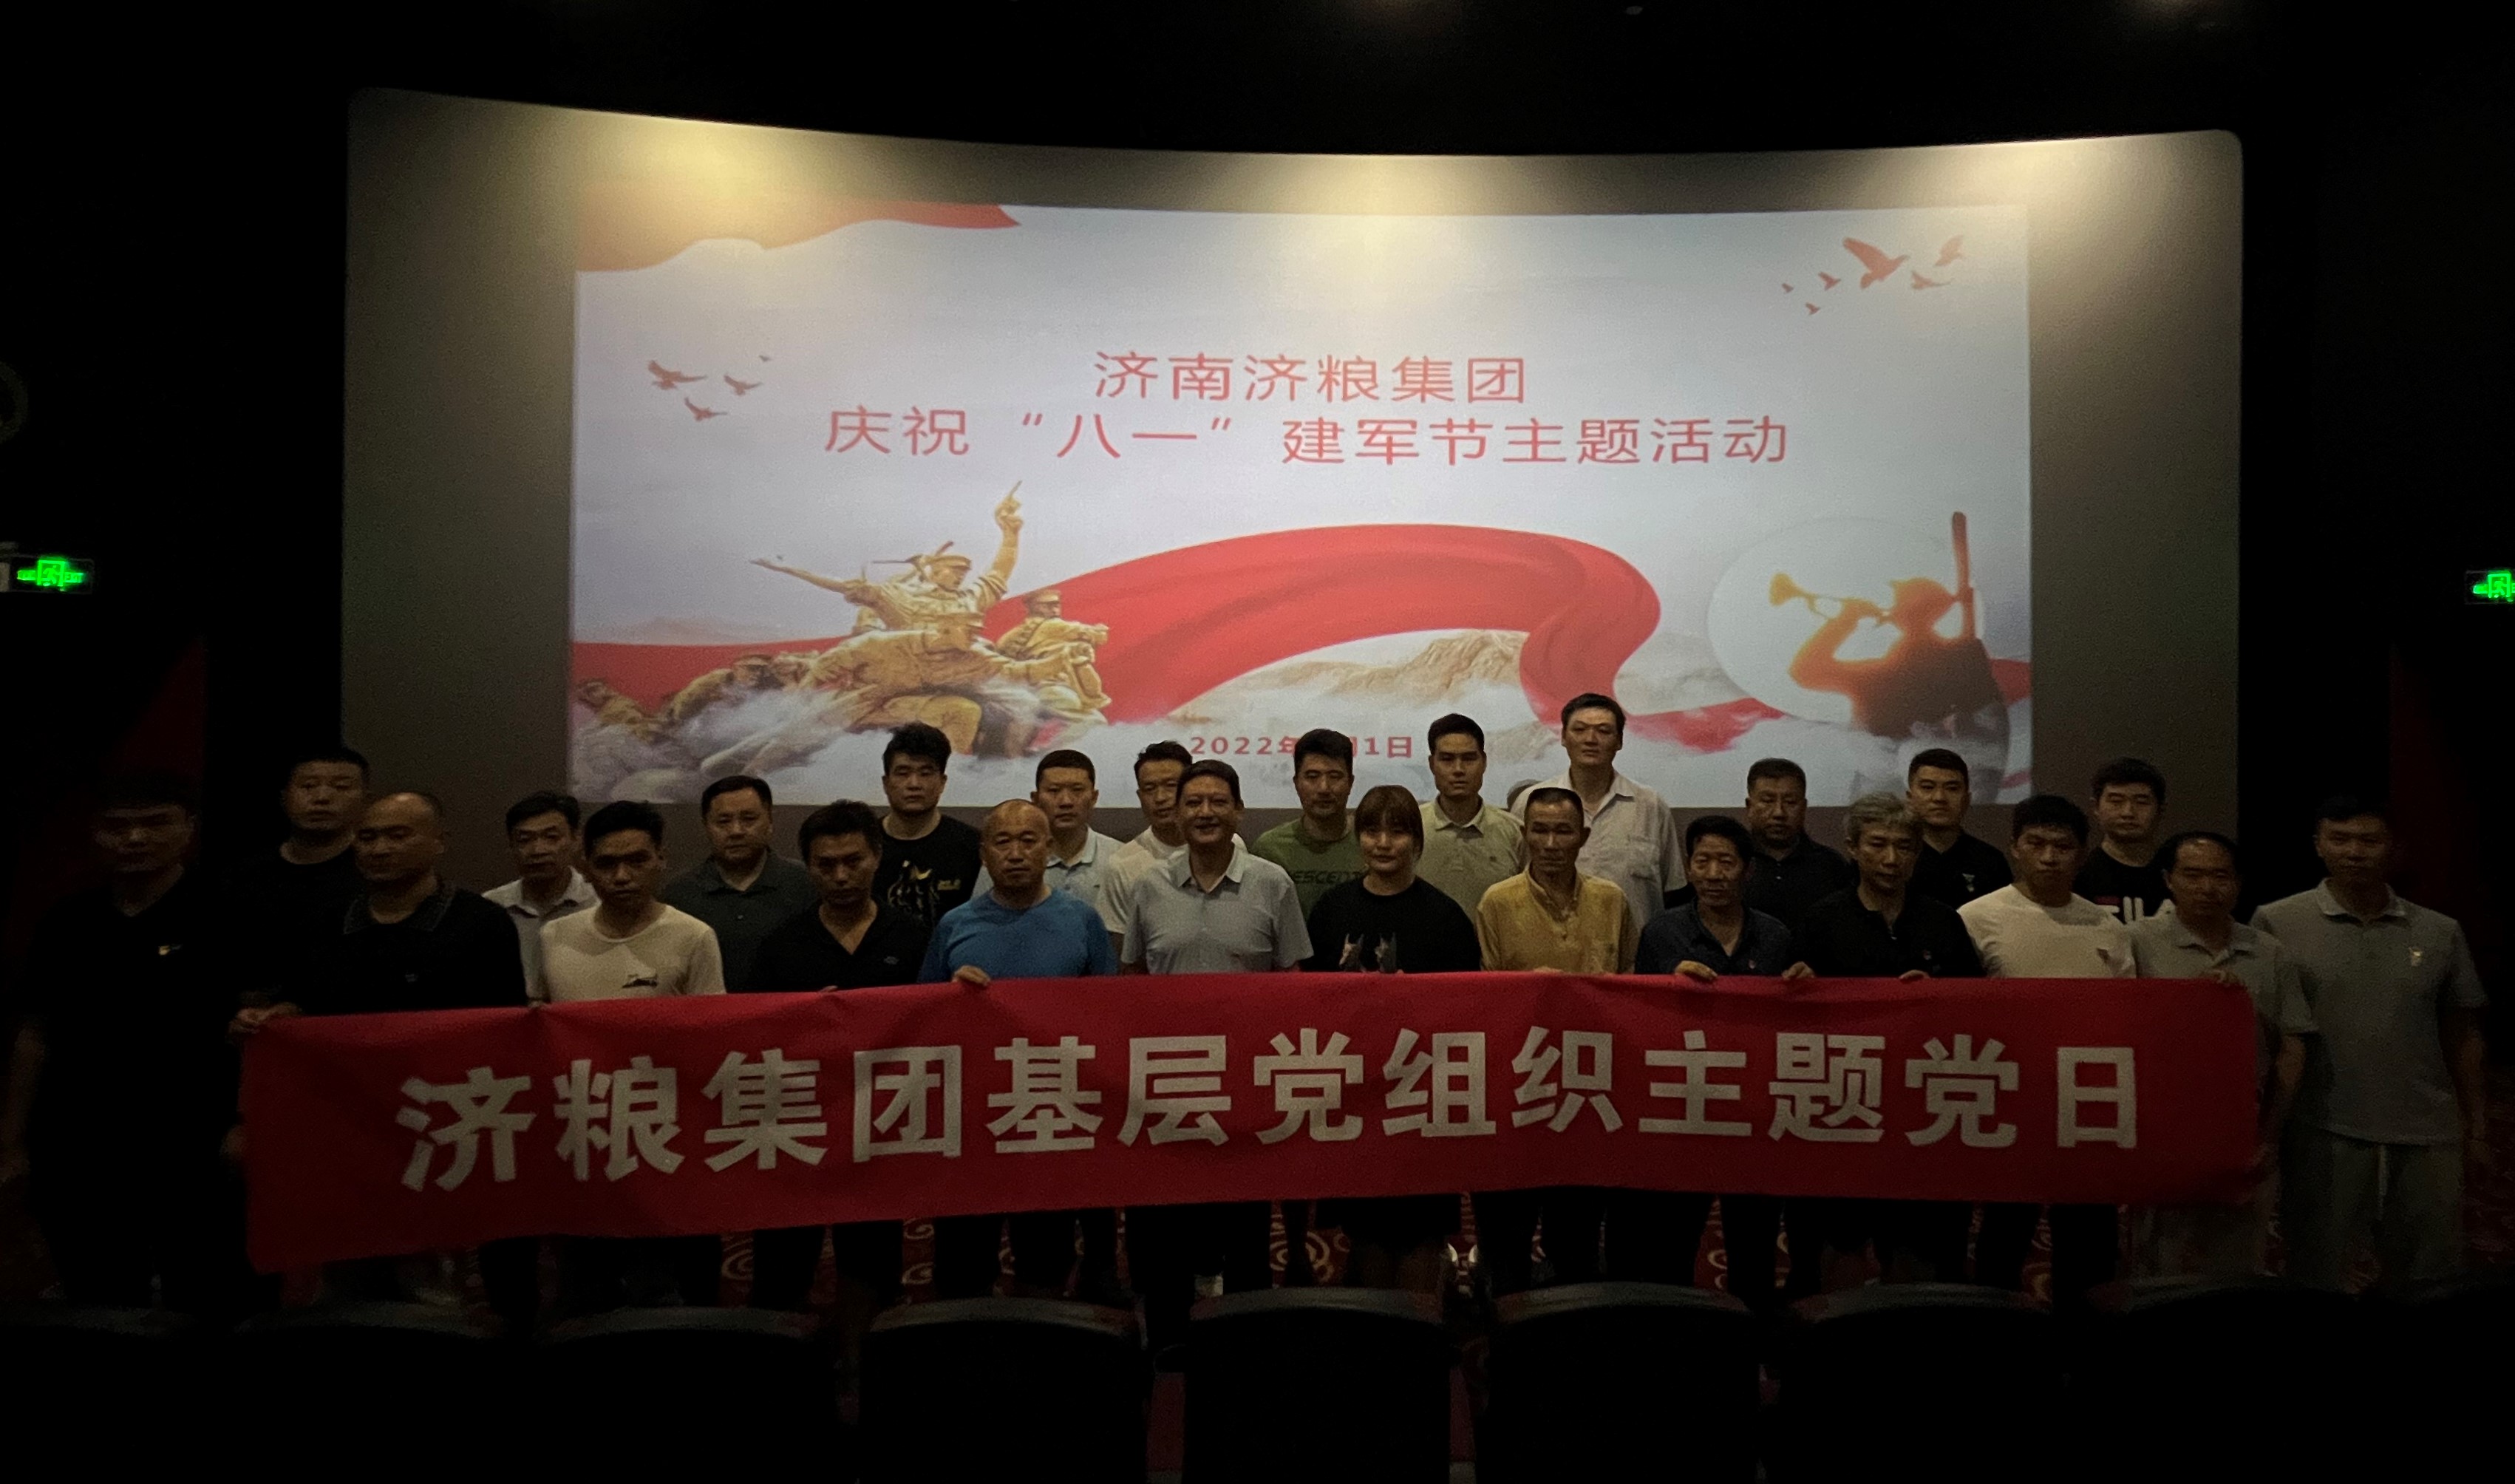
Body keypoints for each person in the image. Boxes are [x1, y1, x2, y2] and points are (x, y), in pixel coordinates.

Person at [231, 792, 532, 1314]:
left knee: (436, 1292)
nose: (379, 848)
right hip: (349, 1124)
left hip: (442, 1122)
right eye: (368, 837)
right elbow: (304, 1004)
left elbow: (504, 1029)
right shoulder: (324, 922)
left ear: (439, 842)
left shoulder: (480, 923)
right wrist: (274, 1019)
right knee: (349, 1277)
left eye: (398, 835)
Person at [1, 775, 249, 1315]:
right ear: (95, 834)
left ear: (189, 828)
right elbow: (35, 1034)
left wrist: (245, 1121)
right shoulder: (68, 921)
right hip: (78, 1137)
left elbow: (260, 1031)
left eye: (155, 823)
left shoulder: (228, 913)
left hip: (193, 1134)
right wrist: (12, 1141)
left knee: (205, 1293)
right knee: (97, 1292)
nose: (135, 838)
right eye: (118, 827)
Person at [2253, 797, 2488, 1291]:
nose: (2354, 852)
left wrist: (2478, 1124)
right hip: (2322, 1126)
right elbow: (2262, 1034)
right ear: (2318, 845)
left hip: (2427, 1129)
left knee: (2429, 1274)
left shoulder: (2439, 931)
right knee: (2317, 1270)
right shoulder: (2276, 923)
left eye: (2369, 840)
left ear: (2393, 848)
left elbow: (2463, 1034)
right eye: (2339, 839)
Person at [1117, 760, 1312, 1352]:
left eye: (1217, 802)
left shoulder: (1272, 883)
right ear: (1176, 814)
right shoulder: (1149, 885)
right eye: (1193, 803)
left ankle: (1246, 1345)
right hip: (1169, 1083)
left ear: (1238, 811)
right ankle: (1170, 1342)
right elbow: (1132, 976)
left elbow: (1292, 980)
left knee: (1244, 1224)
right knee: (1167, 1222)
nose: (1205, 813)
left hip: (1246, 1084)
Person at [741, 801, 928, 1368]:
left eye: (853, 861)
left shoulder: (914, 938)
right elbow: (753, 1041)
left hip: (880, 1123)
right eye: (826, 865)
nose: (841, 876)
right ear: (808, 867)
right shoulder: (781, 946)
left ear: (877, 857)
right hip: (797, 1121)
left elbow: (936, 1029)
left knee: (871, 1256)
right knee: (783, 1257)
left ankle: (862, 1365)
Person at [1785, 793, 1985, 1290]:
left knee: (1922, 1253)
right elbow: (1793, 1021)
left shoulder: (1943, 920)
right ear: (1853, 848)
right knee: (1837, 1251)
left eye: (1904, 847)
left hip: (1924, 1108)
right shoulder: (1822, 919)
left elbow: (1980, 1007)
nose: (1891, 859)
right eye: (1877, 845)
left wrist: (1939, 995)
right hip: (1845, 1107)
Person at [922, 800, 1120, 1301]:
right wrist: (950, 995)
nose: (1015, 853)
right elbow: (921, 1019)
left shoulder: (1082, 921)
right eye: (1003, 842)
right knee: (963, 1267)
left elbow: (1110, 1015)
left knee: (1044, 1261)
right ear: (984, 853)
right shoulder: (954, 925)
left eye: (1028, 841)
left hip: (1048, 1113)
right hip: (970, 1118)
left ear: (1048, 848)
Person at [533, 800, 726, 1310]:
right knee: (585, 1276)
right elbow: (536, 1027)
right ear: (586, 866)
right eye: (607, 864)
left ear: (661, 859)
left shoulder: (693, 936)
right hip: (585, 1132)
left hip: (667, 1133)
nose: (621, 876)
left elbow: (714, 1038)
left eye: (637, 860)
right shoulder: (555, 936)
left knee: (672, 1280)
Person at [1300, 786, 1479, 1291]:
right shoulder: (1331, 910)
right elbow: (1308, 1001)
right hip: (1354, 1093)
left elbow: (1467, 1011)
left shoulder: (1445, 917)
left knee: (1420, 1229)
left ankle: (1422, 1323)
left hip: (1422, 1095)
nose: (1383, 843)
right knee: (1365, 1230)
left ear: (1416, 842)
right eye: (1371, 831)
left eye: (1397, 832)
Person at [1959, 795, 2135, 1307]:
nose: (2049, 857)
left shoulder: (2106, 926)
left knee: (2088, 1238)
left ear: (2081, 853)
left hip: (2086, 1103)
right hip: (2009, 1096)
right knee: (2003, 1233)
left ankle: (2082, 1336)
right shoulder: (1976, 917)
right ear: (2015, 847)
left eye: (2062, 846)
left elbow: (2129, 1016)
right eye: (2035, 844)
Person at [1623, 815, 1796, 1297]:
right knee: (1673, 1238)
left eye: (1726, 862)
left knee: (1754, 1238)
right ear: (1689, 868)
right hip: (1685, 1107)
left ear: (1747, 870)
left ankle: (1753, 1326)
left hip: (1755, 1110)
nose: (1714, 874)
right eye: (1702, 861)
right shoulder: (1661, 933)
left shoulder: (1776, 937)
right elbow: (1639, 1016)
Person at [1473, 786, 1635, 1294]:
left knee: (1578, 1238)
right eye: (1539, 830)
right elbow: (1484, 999)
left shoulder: (1611, 901)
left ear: (1583, 836)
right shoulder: (1497, 902)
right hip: (1517, 1087)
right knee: (1506, 1237)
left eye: (1562, 831)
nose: (1550, 843)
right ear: (1523, 834)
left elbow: (1634, 989)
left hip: (1587, 1091)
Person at [2130, 831, 2312, 1277]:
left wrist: (2270, 1134)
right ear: (2168, 880)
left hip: (2246, 1133)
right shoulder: (2136, 941)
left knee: (2238, 1265)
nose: (2207, 888)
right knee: (2158, 1265)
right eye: (2193, 875)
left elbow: (2292, 1045)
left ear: (2238, 883)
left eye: (2220, 876)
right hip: (2162, 1135)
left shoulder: (2268, 951)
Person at [1514, 692, 1681, 936]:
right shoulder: (1531, 802)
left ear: (1619, 741)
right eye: (1580, 730)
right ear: (1563, 737)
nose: (1591, 739)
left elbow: (1674, 891)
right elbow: (1515, 883)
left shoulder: (1650, 806)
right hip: (1550, 947)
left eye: (1604, 731)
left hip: (1632, 952)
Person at [222, 745, 370, 1004]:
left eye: (341, 787)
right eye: (308, 786)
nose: (322, 797)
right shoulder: (244, 876)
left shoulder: (374, 873)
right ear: (284, 797)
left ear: (366, 799)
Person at [661, 774, 816, 992]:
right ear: (706, 826)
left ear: (770, 821)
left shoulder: (807, 883)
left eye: (749, 819)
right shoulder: (679, 895)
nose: (736, 831)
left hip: (789, 1010)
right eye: (723, 822)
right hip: (710, 1011)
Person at [973, 749, 1123, 916]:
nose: (1066, 802)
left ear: (1094, 797)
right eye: (1054, 791)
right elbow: (980, 919)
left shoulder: (1120, 858)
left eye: (1077, 790)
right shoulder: (1007, 861)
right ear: (1036, 799)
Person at [872, 722, 982, 929]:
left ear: (942, 782)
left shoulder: (973, 846)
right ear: (886, 783)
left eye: (925, 773)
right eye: (903, 773)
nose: (914, 784)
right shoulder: (865, 844)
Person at [483, 790, 596, 992]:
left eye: (552, 837)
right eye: (525, 840)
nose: (538, 850)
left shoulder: (599, 903)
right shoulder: (490, 908)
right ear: (511, 846)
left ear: (576, 839)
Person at [1415, 712, 1524, 916]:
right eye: (1447, 759)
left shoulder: (1515, 832)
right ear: (1432, 764)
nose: (1458, 769)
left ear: (1484, 762)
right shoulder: (1411, 827)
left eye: (1469, 758)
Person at [1098, 741, 1197, 959]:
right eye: (1149, 789)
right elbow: (1121, 952)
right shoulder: (1122, 865)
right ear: (1140, 796)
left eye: (1170, 785)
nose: (1160, 798)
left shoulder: (1229, 845)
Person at [1254, 728, 1368, 916]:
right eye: (1312, 777)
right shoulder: (1270, 850)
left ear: (1350, 782)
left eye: (1335, 776)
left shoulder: (1372, 843)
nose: (1324, 788)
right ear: (1296, 783)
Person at [1906, 747, 2011, 909]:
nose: (1939, 798)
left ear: (1967, 799)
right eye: (1928, 787)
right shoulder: (1896, 857)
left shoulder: (1990, 862)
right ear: (1910, 797)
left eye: (1952, 789)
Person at [2075, 757, 2172, 926]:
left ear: (2160, 810)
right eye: (2116, 801)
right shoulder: (2076, 876)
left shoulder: (2179, 876)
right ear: (2096, 807)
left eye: (2141, 802)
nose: (2128, 812)